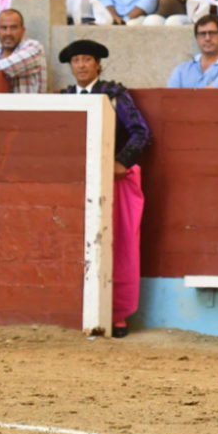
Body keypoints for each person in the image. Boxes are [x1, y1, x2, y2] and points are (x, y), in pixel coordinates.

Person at [57, 38, 150, 339]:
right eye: (76, 61)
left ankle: (117, 314)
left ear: (98, 64)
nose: (81, 65)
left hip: (112, 182)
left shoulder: (114, 94)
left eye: (87, 59)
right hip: (75, 182)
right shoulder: (64, 96)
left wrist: (121, 162)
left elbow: (141, 132)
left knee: (117, 244)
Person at [167, 13, 218, 87]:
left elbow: (208, 96)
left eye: (212, 33)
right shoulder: (181, 69)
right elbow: (170, 97)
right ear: (196, 38)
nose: (207, 38)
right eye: (202, 34)